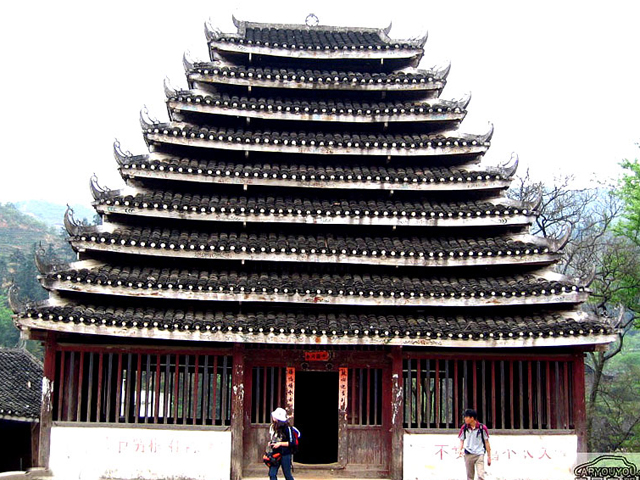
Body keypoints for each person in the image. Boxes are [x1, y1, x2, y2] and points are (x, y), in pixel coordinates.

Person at [457, 408, 491, 480]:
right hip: (468, 454)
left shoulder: (482, 428)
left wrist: (489, 456)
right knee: (470, 477)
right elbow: (461, 440)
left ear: (472, 418)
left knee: (481, 475)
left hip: (480, 454)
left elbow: (486, 442)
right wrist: (460, 450)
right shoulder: (464, 428)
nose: (465, 419)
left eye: (466, 417)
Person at [268, 407, 295, 480]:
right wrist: (271, 443)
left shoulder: (288, 428)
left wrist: (280, 444)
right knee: (272, 474)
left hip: (285, 454)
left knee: (287, 475)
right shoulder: (273, 427)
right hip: (275, 454)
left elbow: (292, 443)